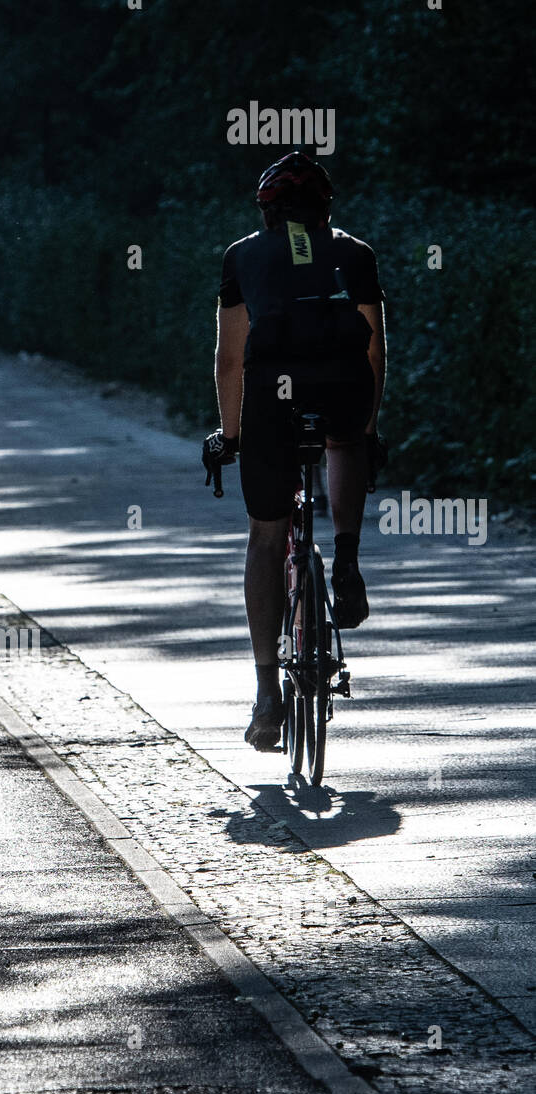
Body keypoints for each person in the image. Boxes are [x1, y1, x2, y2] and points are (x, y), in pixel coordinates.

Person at [206, 151, 386, 750]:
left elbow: (231, 359)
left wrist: (230, 435)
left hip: (270, 402)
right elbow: (373, 354)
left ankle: (266, 694)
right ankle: (348, 559)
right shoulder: (355, 254)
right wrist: (367, 426)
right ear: (325, 207)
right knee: (345, 440)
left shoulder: (242, 256)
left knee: (266, 535)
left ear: (266, 211)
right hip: (342, 392)